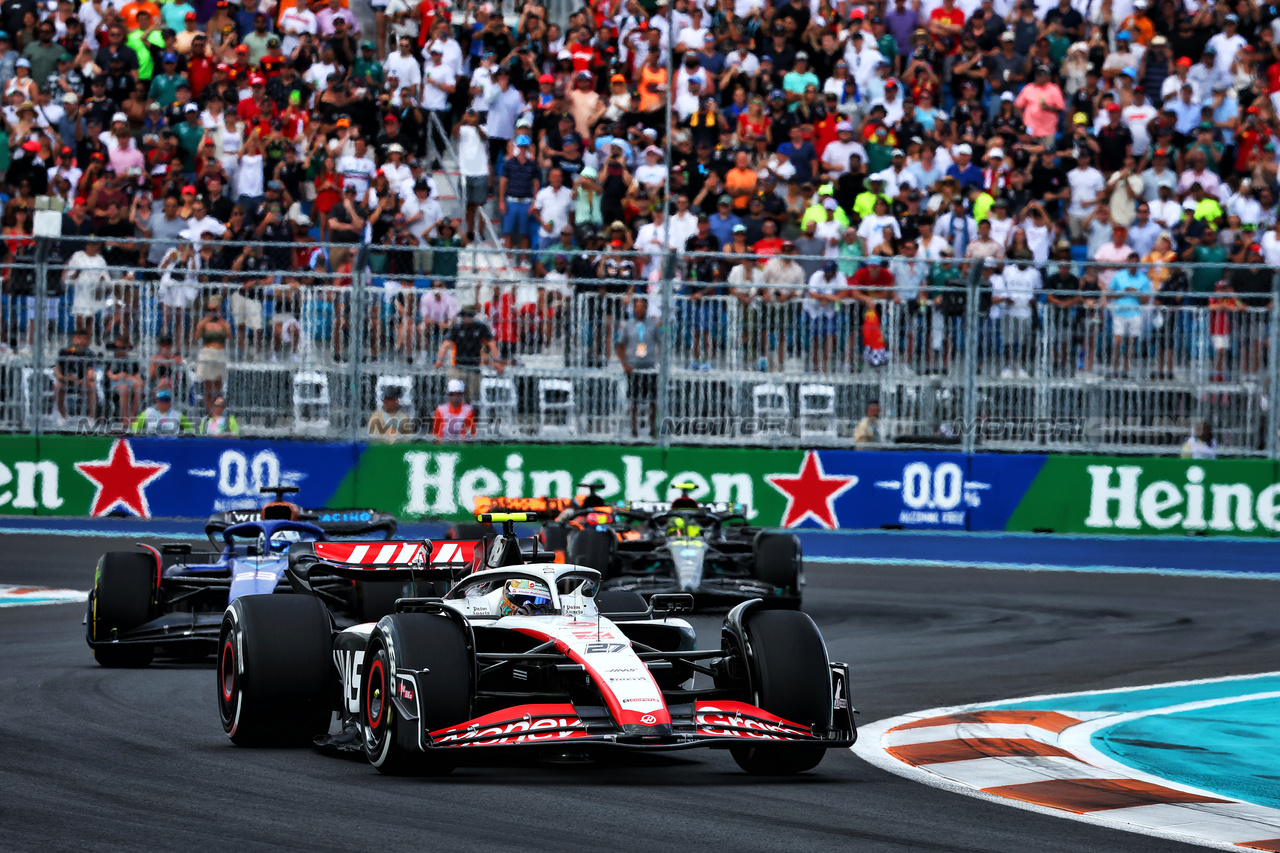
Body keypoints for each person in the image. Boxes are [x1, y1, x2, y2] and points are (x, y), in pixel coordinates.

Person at [434, 305, 502, 401]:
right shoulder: (456, 328)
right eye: (464, 315)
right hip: (458, 367)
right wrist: (440, 360)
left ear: (473, 316)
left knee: (472, 398)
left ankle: (470, 415)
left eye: (469, 315)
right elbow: (446, 344)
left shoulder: (481, 327)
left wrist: (496, 361)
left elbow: (492, 343)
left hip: (474, 367)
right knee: (454, 395)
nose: (466, 318)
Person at [615, 295, 661, 439]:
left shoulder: (653, 324)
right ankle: (633, 429)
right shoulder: (628, 325)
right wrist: (624, 364)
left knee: (653, 401)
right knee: (634, 401)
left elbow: (661, 342)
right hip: (634, 368)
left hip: (650, 368)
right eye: (636, 307)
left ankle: (653, 429)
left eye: (641, 307)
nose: (639, 309)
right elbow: (620, 345)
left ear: (646, 308)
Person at [54, 327, 98, 421]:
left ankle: (92, 417)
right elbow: (57, 370)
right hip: (66, 380)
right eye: (80, 338)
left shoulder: (90, 354)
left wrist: (83, 380)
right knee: (57, 386)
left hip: (82, 381)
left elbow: (90, 373)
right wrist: (63, 378)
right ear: (74, 339)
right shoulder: (65, 352)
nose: (82, 341)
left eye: (85, 339)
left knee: (92, 385)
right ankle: (62, 415)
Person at [104, 338, 143, 423]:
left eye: (123, 348)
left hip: (129, 380)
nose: (120, 350)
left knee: (140, 385)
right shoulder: (110, 360)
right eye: (118, 348)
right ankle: (125, 418)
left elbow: (138, 376)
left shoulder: (132, 360)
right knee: (124, 388)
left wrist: (128, 377)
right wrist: (120, 376)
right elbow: (110, 375)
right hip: (115, 383)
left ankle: (133, 415)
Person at [130, 387, 194, 434]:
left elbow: (191, 430)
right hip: (152, 444)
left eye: (166, 400)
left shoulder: (178, 415)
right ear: (157, 401)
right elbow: (134, 429)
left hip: (172, 445)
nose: (164, 403)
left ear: (170, 402)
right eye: (161, 400)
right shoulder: (148, 413)